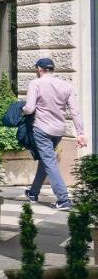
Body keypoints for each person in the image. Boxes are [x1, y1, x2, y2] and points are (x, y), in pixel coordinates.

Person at [24, 57, 87, 209]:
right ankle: (33, 192)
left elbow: (30, 108)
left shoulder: (36, 83)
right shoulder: (66, 85)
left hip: (42, 128)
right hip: (59, 130)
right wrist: (80, 133)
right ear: (52, 69)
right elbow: (75, 112)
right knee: (46, 160)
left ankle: (63, 199)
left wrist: (22, 109)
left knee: (49, 162)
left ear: (39, 69)